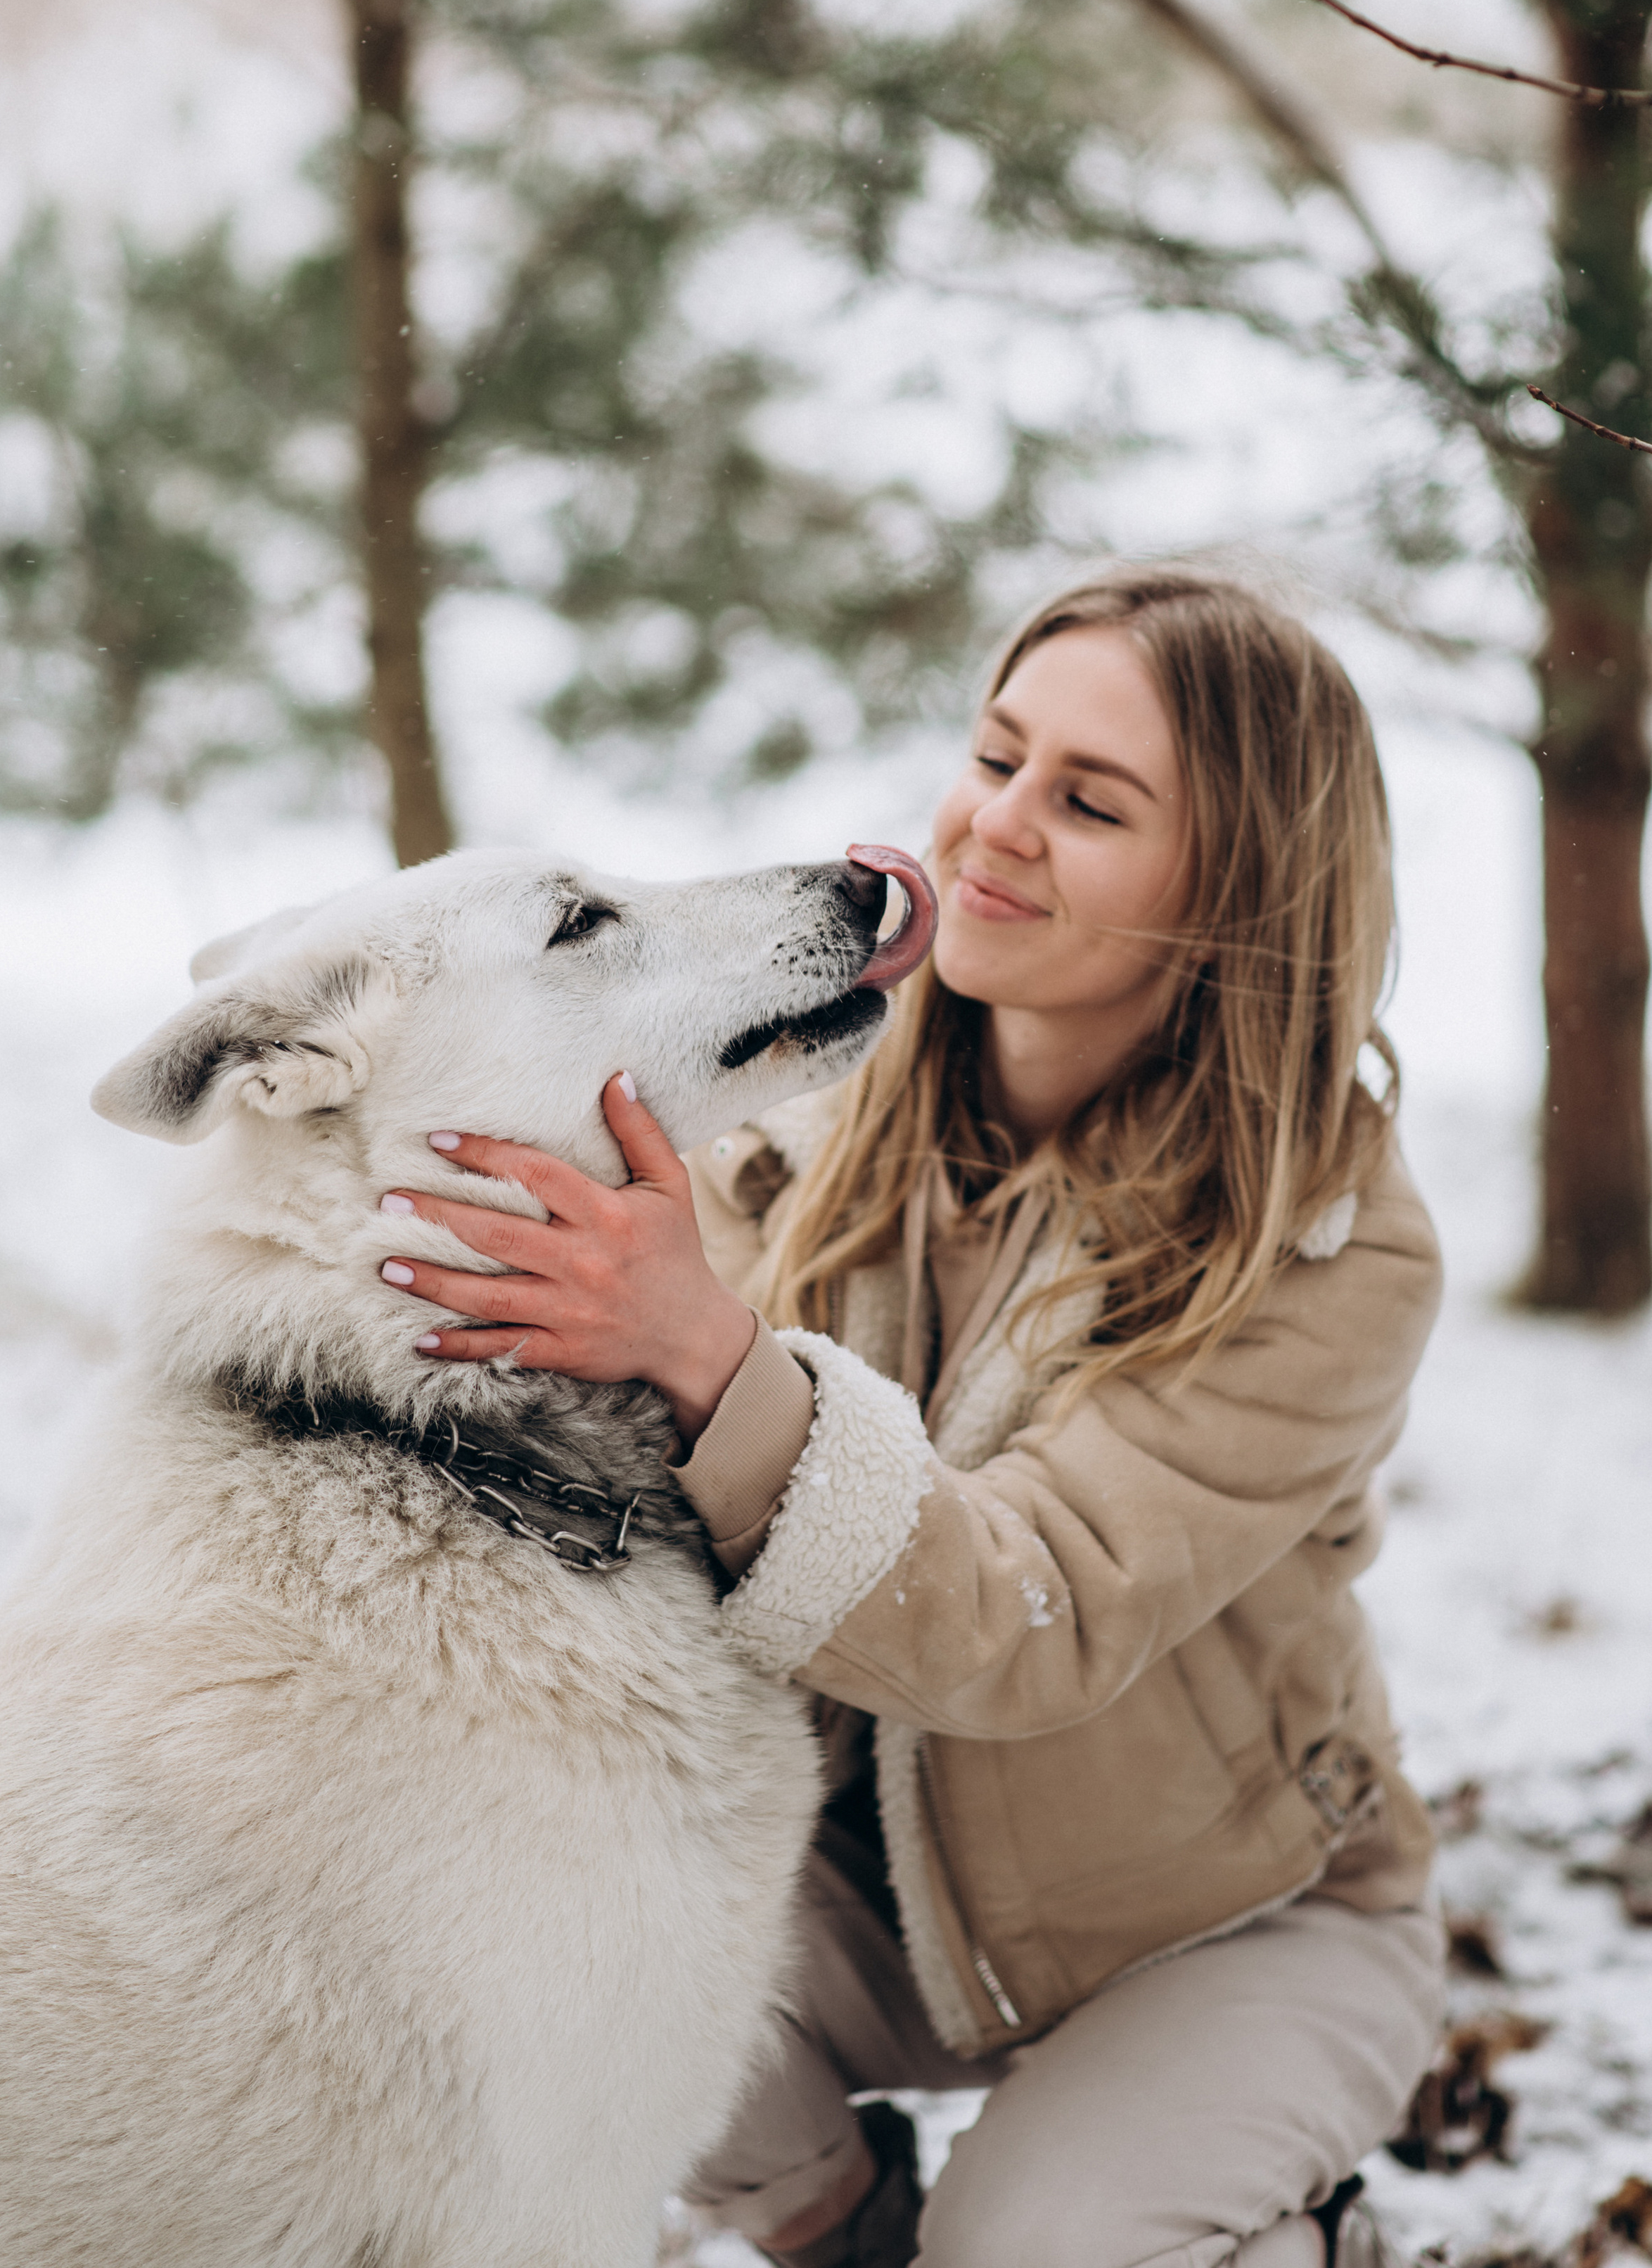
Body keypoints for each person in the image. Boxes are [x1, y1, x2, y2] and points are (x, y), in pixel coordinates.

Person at [379, 569, 1446, 2268]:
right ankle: (838, 2225)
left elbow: (1036, 1610)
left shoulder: (1323, 1245)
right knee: (503, 1909)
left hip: (1223, 1921)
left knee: (1030, 2250)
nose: (995, 827)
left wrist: (717, 1361)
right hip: (874, 1892)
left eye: (1090, 802)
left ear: (1233, 890)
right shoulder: (806, 1083)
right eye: (996, 754)